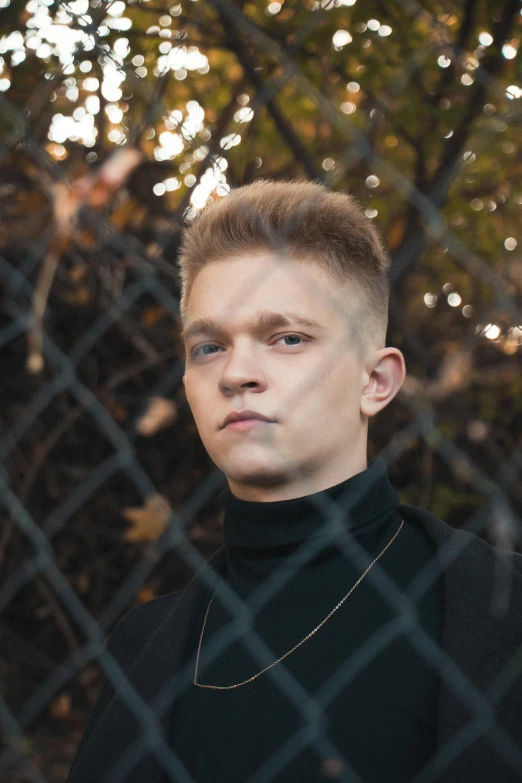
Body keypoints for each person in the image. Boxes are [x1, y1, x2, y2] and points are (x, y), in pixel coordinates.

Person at [67, 179, 522, 783]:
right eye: (208, 347)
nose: (237, 373)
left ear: (376, 381)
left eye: (287, 338)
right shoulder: (142, 648)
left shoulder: (496, 612)